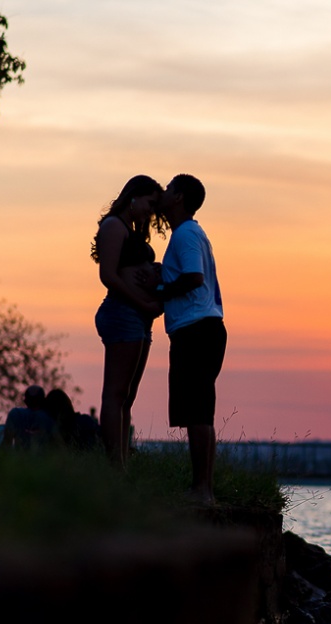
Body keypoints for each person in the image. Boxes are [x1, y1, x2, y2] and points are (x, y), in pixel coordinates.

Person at [156, 174, 227, 504]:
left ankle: (201, 489)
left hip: (196, 330)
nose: (163, 192)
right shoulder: (192, 234)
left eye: (169, 188)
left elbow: (194, 277)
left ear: (179, 197)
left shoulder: (185, 233)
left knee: (198, 412)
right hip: (204, 329)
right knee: (201, 411)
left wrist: (160, 289)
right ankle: (204, 489)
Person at [92, 175, 165, 467]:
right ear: (133, 197)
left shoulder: (131, 230)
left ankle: (122, 463)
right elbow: (108, 276)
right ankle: (115, 467)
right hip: (123, 314)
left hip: (138, 319)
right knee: (115, 394)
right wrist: (143, 303)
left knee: (127, 397)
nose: (151, 211)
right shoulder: (113, 226)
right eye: (150, 203)